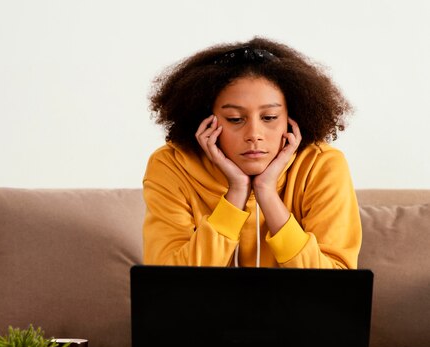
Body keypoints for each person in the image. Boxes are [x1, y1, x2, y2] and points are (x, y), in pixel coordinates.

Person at [143, 37, 361, 268]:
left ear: (291, 118)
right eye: (235, 119)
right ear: (206, 121)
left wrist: (266, 192)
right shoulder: (171, 165)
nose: (254, 134)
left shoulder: (322, 165)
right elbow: (169, 285)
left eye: (269, 118)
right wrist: (236, 192)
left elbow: (335, 287)